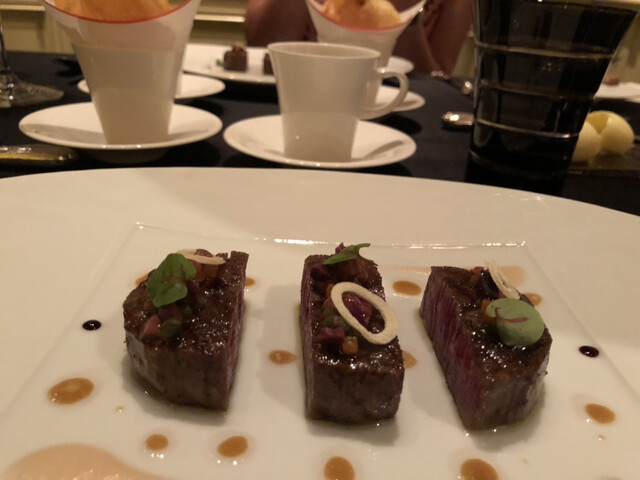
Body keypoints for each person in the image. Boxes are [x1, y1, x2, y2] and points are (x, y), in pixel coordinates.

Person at [244, 0, 473, 75]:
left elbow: (437, 85)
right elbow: (263, 50)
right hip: (298, 104)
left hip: (397, 117)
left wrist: (399, 17)